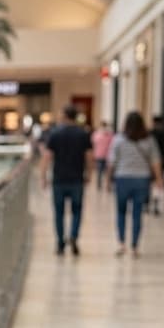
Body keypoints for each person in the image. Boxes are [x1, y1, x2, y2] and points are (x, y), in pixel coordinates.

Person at [109, 110, 163, 256]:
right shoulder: (148, 139)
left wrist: (108, 179)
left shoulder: (119, 139)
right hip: (141, 179)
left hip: (122, 178)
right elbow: (155, 161)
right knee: (137, 213)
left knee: (121, 212)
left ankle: (121, 243)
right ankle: (135, 246)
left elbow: (112, 161)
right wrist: (159, 179)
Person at [41, 104, 92, 255]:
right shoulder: (83, 134)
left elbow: (47, 157)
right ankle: (74, 236)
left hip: (59, 179)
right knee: (77, 210)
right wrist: (89, 174)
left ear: (64, 116)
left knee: (59, 212)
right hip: (77, 178)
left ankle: (60, 242)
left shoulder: (55, 134)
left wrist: (43, 177)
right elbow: (89, 157)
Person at [91, 120, 114, 191]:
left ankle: (102, 185)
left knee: (101, 171)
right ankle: (103, 184)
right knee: (103, 171)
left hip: (102, 155)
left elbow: (93, 143)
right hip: (104, 155)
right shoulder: (108, 134)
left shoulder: (97, 134)